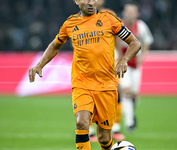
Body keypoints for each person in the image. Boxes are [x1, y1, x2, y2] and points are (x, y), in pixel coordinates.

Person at [29, 0, 141, 149]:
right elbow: (55, 45)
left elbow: (135, 43)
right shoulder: (70, 24)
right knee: (82, 122)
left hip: (106, 85)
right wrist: (40, 65)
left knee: (104, 137)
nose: (90, 2)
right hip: (82, 83)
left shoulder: (109, 19)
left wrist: (124, 59)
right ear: (76, 1)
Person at [88, 0, 125, 142]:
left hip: (110, 60)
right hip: (91, 62)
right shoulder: (82, 17)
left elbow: (117, 36)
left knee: (117, 91)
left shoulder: (110, 14)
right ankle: (90, 132)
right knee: (91, 94)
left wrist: (121, 58)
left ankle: (115, 129)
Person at [115, 2, 154, 133]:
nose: (130, 14)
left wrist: (143, 56)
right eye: (128, 11)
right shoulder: (119, 26)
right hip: (122, 64)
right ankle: (130, 123)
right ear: (124, 13)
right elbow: (114, 42)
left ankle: (130, 113)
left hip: (136, 65)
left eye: (133, 11)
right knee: (125, 90)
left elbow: (147, 41)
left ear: (137, 13)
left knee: (134, 96)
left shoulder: (141, 26)